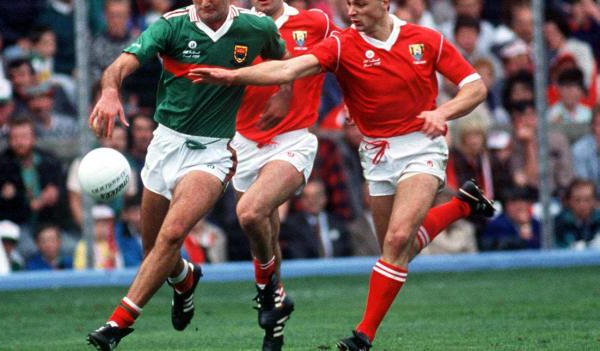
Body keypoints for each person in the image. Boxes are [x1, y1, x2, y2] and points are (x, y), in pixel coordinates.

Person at [189, 0, 495, 348]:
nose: (352, 11)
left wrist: (444, 112)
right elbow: (290, 69)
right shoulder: (341, 44)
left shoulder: (425, 39)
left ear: (383, 4)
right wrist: (233, 76)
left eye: (360, 4)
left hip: (423, 145)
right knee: (397, 250)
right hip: (377, 152)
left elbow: (476, 87)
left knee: (396, 241)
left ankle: (363, 335)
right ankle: (462, 205)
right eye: (348, 4)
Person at [85, 0, 287, 349]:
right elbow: (119, 66)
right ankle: (184, 278)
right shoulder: (171, 26)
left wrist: (284, 95)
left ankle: (116, 324)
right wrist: (108, 90)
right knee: (155, 251)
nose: (205, 1)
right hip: (164, 146)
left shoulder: (257, 28)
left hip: (213, 153)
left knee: (173, 233)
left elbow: (283, 61)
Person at [230, 0, 336, 348]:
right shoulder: (237, 26)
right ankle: (274, 325)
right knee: (264, 231)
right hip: (244, 141)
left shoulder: (315, 22)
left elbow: (344, 57)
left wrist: (352, 104)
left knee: (251, 212)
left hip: (293, 139)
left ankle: (268, 292)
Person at [555, 179, 600, 249]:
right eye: (577, 200)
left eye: (587, 200)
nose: (582, 205)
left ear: (594, 200)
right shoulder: (558, 223)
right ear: (569, 201)